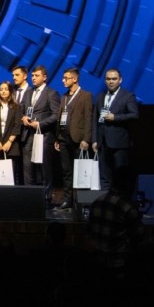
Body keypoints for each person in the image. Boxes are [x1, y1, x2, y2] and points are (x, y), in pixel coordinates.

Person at [87, 165, 144, 278]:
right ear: (130, 185)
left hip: (96, 267)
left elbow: (88, 231)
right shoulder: (127, 208)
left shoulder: (96, 202)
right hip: (118, 267)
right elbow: (139, 235)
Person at [92, 68, 139, 190]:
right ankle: (105, 199)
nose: (111, 81)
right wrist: (95, 140)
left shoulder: (127, 96)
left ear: (120, 80)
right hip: (102, 142)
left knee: (120, 176)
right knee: (104, 175)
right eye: (108, 79)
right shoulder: (100, 96)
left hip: (119, 142)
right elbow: (95, 119)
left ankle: (120, 199)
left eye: (114, 79)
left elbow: (134, 115)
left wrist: (115, 117)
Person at [20, 65, 60, 206]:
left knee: (44, 169)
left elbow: (56, 115)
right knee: (28, 169)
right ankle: (29, 197)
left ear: (44, 77)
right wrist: (23, 117)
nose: (33, 78)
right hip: (28, 135)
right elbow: (21, 110)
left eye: (36, 75)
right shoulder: (28, 93)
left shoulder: (52, 93)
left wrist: (40, 124)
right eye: (32, 75)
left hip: (43, 135)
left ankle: (46, 198)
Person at [54, 68, 93, 209]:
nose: (63, 80)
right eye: (63, 78)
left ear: (75, 79)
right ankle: (68, 200)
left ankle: (83, 201)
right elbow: (60, 117)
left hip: (78, 139)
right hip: (63, 138)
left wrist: (86, 139)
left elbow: (88, 119)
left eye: (66, 78)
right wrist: (57, 138)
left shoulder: (86, 95)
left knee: (82, 171)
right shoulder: (64, 96)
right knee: (66, 171)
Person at [0, 79, 22, 187]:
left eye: (6, 89)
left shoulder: (16, 107)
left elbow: (17, 126)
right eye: (1, 89)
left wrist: (9, 142)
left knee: (9, 175)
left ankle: (10, 196)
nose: (3, 91)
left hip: (11, 144)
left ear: (10, 91)